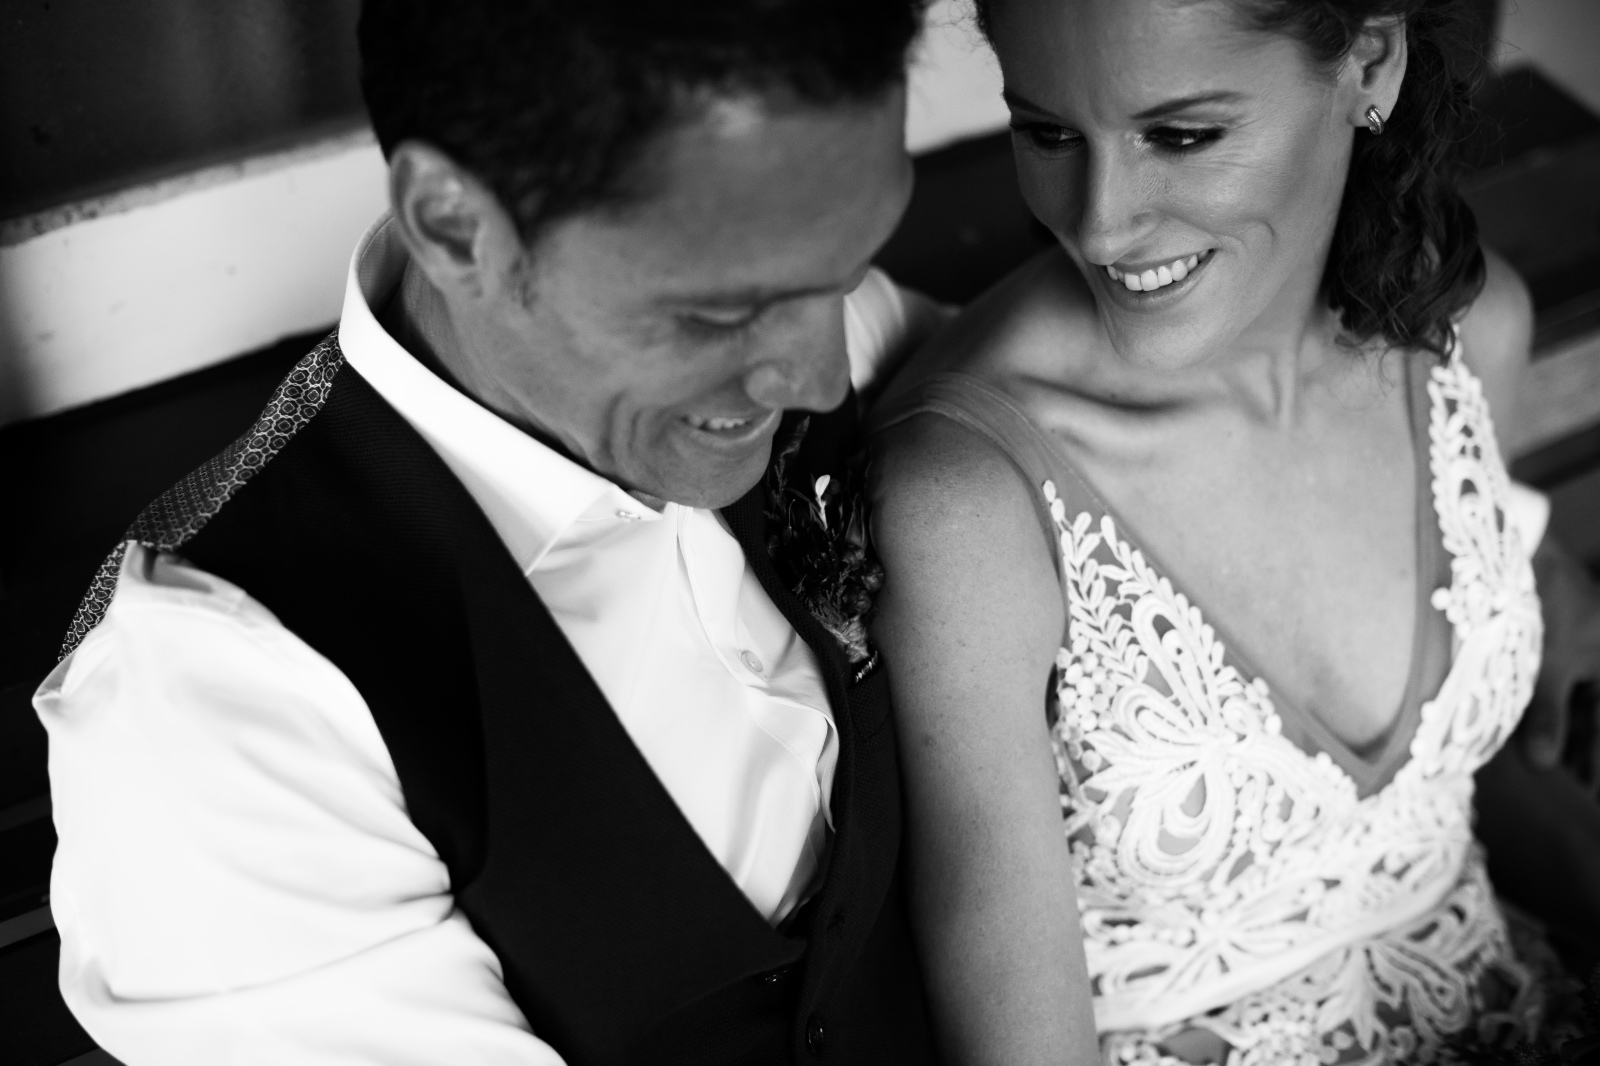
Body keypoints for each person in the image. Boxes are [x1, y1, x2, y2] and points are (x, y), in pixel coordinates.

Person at [34, 2, 945, 1062]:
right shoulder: (214, 711)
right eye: (716, 311)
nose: (821, 377)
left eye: (848, 264)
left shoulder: (789, 286)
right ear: (456, 225)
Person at [867, 0, 1600, 1063]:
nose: (1100, 225)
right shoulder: (969, 503)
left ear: (1370, 65)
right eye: (1048, 132)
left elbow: (1448, 798)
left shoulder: (1467, 332)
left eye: (1180, 135)